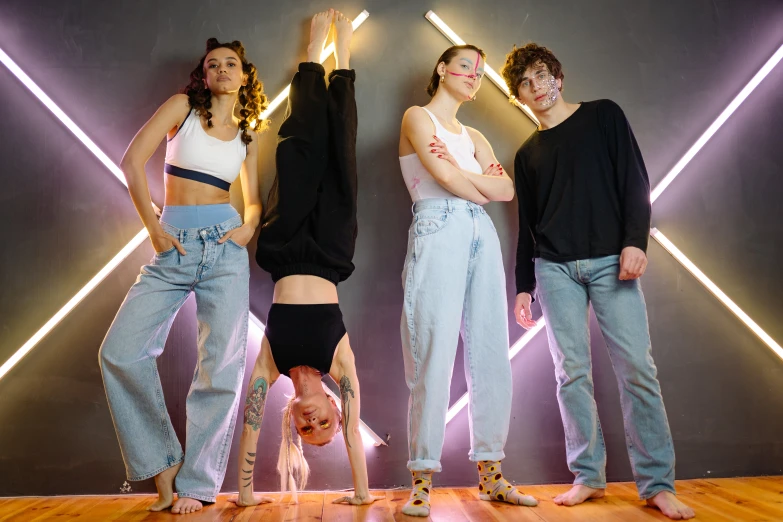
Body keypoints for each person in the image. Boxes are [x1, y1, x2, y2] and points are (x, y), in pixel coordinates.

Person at [501, 42, 695, 520]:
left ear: (558, 77)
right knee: (571, 375)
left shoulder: (604, 116)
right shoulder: (526, 155)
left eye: (542, 75)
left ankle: (657, 485)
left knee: (637, 370)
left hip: (613, 261)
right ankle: (588, 476)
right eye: (525, 83)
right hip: (554, 270)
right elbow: (527, 226)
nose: (536, 87)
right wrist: (523, 285)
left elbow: (634, 181)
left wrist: (636, 241)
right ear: (519, 98)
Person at [99, 38, 266, 514]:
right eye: (212, 64)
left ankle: (196, 484)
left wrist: (248, 227)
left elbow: (252, 200)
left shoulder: (248, 134)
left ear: (244, 75)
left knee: (220, 368)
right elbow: (132, 161)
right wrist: (153, 229)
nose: (221, 69)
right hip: (172, 244)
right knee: (120, 351)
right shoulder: (182, 109)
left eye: (231, 63)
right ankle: (164, 463)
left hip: (224, 248)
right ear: (204, 75)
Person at [233, 10, 380, 508]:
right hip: (333, 248)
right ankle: (345, 54)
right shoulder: (340, 363)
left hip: (285, 244)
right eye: (325, 425)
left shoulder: (269, 364)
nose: (313, 420)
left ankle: (311, 56)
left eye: (305, 426)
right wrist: (361, 494)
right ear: (338, 413)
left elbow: (250, 429)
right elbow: (356, 437)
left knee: (297, 149)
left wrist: (248, 495)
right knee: (341, 154)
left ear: (291, 418)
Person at [397, 44, 538, 517]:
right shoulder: (418, 118)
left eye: (480, 73)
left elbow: (506, 189)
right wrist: (469, 179)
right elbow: (444, 178)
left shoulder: (474, 134)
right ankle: (421, 480)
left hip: (482, 233)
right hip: (438, 227)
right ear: (442, 68)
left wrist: (460, 175)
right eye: (465, 67)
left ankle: (492, 475)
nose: (474, 77)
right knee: (432, 348)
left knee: (491, 351)